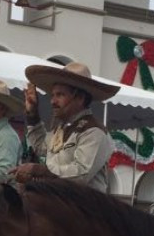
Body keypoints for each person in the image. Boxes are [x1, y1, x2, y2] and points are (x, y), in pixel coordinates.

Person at [12, 61, 116, 192]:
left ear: (80, 98)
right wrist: (33, 114)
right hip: (61, 203)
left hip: (84, 208)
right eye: (53, 95)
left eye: (60, 95)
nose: (52, 101)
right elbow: (41, 147)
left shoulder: (94, 131)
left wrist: (40, 170)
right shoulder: (62, 127)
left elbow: (81, 174)